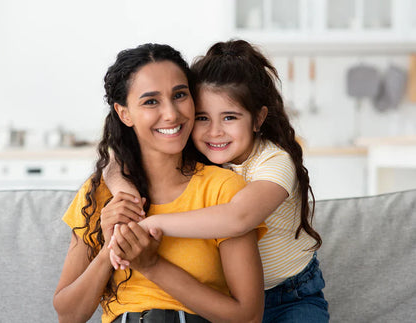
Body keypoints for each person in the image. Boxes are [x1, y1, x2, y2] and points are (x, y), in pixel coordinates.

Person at [105, 40, 329, 322]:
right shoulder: (201, 153)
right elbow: (115, 161)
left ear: (258, 118)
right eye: (202, 118)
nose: (215, 132)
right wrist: (125, 195)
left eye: (230, 117)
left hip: (291, 295)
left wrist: (152, 223)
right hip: (230, 297)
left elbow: (238, 217)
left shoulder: (274, 162)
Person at [53, 43, 267, 323]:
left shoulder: (223, 190)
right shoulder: (100, 193)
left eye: (179, 95)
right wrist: (111, 248)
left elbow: (248, 317)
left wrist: (151, 265)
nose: (171, 114)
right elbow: (68, 316)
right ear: (124, 113)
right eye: (151, 101)